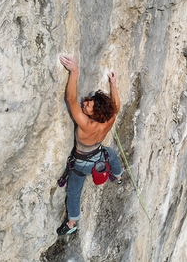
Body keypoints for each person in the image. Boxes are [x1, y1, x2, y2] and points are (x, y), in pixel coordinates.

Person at [57, 54, 123, 236]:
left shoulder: (86, 125)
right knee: (111, 153)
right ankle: (118, 176)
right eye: (87, 101)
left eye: (87, 105)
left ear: (94, 114)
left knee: (73, 191)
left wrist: (74, 72)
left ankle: (72, 223)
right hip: (98, 155)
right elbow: (116, 105)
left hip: (82, 163)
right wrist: (114, 85)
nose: (84, 103)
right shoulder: (110, 118)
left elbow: (71, 100)